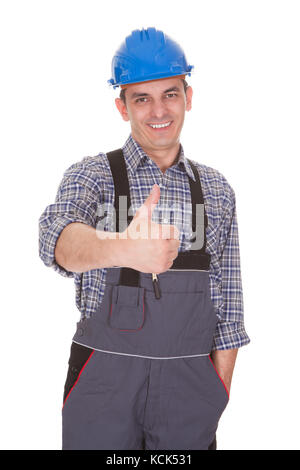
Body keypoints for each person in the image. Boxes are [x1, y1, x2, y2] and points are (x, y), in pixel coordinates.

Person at [38, 27, 250, 450]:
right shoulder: (93, 175)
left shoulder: (217, 190)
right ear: (122, 106)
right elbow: (55, 239)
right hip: (104, 388)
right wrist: (121, 247)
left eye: (170, 94)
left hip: (190, 391)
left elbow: (230, 306)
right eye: (142, 98)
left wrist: (216, 393)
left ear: (188, 97)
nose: (159, 110)